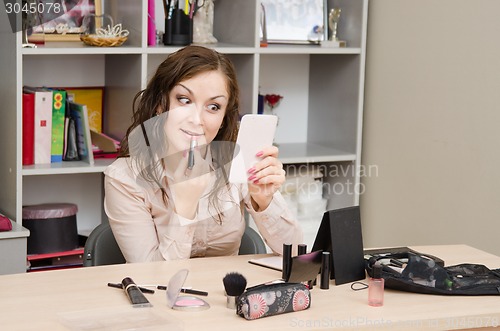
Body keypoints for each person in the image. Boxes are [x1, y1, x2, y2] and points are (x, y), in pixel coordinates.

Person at [104, 45, 303, 262]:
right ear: (161, 105)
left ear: (224, 117)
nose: (197, 119)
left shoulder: (235, 163)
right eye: (184, 100)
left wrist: (264, 201)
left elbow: (295, 256)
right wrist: (185, 208)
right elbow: (152, 279)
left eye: (214, 107)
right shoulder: (124, 179)